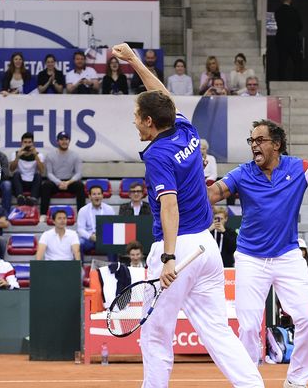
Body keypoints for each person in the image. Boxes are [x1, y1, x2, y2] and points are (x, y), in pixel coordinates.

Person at [112, 42, 264, 388]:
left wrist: (166, 258)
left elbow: (169, 206)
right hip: (207, 249)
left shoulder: (157, 155)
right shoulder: (185, 129)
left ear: (149, 123)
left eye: (137, 116)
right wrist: (134, 61)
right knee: (219, 332)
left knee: (155, 333)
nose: (134, 121)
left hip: (177, 250)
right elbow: (164, 96)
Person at [207, 118, 308, 388]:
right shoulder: (242, 173)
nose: (254, 146)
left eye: (260, 140)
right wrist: (191, 177)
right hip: (250, 258)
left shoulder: (300, 168)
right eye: (251, 141)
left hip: (288, 256)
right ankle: (247, 382)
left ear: (277, 144)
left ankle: (296, 381)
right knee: (247, 327)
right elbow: (212, 194)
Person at [40, 131, 86, 216]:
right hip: (55, 182)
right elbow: (49, 173)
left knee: (80, 186)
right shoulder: (50, 155)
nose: (64, 142)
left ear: (69, 141)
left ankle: (81, 214)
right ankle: (43, 214)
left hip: (69, 182)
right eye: (61, 139)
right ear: (57, 141)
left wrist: (68, 182)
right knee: (45, 186)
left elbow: (79, 173)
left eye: (66, 139)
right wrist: (59, 182)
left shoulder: (75, 155)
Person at [76, 185, 115, 260]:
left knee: (113, 244)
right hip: (89, 238)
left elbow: (112, 227)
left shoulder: (109, 209)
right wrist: (90, 236)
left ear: (102, 195)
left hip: (104, 238)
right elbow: (80, 229)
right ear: (89, 196)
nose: (97, 196)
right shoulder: (83, 210)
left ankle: (113, 268)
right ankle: (80, 269)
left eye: (99, 194)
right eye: (94, 194)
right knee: (79, 244)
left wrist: (102, 236)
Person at [10, 132, 44, 206]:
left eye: (29, 142)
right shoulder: (15, 154)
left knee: (38, 175)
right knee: (16, 174)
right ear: (21, 143)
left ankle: (33, 199)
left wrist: (35, 155)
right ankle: (20, 198)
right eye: (25, 142)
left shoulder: (39, 155)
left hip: (32, 183)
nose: (27, 144)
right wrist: (18, 156)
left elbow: (42, 171)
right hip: (21, 183)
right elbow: (11, 169)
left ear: (33, 143)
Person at [275, 0, 303, 81]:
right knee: (297, 62)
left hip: (281, 39)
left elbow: (279, 24)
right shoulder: (294, 11)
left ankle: (281, 81)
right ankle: (296, 80)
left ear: (281, 0)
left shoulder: (278, 11)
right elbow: (300, 26)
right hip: (293, 40)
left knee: (282, 61)